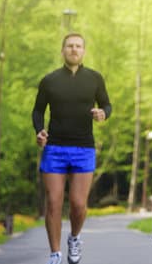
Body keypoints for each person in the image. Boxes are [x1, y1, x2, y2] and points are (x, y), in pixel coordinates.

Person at [32, 33, 112, 264]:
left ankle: (75, 238)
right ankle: (55, 254)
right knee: (54, 202)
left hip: (84, 148)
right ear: (63, 51)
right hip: (55, 148)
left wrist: (103, 113)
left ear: (83, 51)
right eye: (69, 46)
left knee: (78, 204)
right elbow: (38, 111)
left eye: (78, 46)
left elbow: (106, 103)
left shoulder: (94, 79)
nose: (74, 50)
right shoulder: (50, 80)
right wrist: (39, 130)